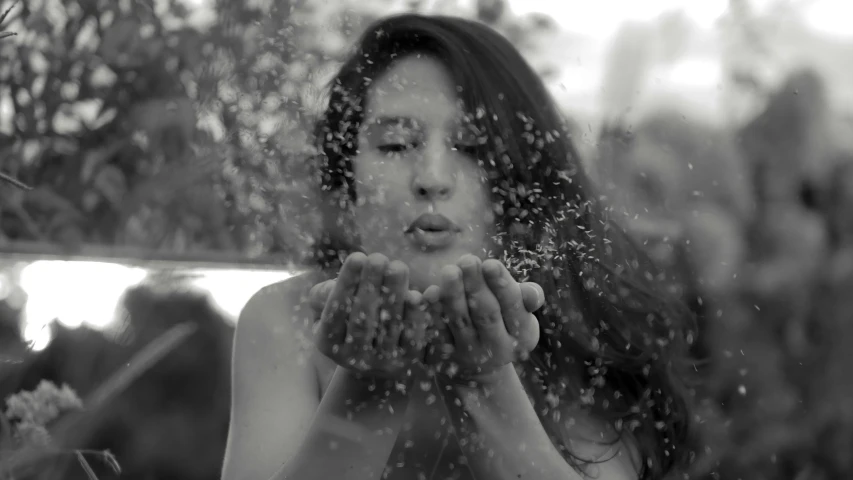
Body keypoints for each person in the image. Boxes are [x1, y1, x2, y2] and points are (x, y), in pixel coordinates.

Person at [222, 13, 696, 480]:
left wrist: (484, 380)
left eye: (471, 147)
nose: (431, 178)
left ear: (524, 178)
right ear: (347, 175)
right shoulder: (290, 318)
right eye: (395, 144)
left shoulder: (574, 319)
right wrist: (369, 386)